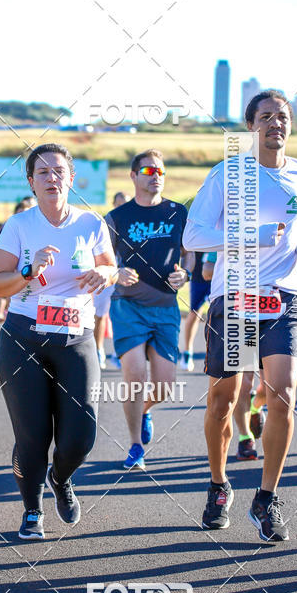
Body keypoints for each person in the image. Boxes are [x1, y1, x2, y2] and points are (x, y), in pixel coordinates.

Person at [183, 89, 297, 542]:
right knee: (224, 400)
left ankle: (266, 498)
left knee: (281, 395)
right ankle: (219, 486)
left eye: (282, 117)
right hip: (237, 297)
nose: (275, 124)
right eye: (265, 117)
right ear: (250, 127)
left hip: (283, 298)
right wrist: (254, 233)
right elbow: (195, 234)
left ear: (289, 125)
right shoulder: (229, 174)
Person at [0, 143, 116, 540]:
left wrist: (104, 275)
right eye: (42, 173)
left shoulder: (91, 224)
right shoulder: (19, 226)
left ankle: (61, 477)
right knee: (33, 435)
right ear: (31, 181)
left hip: (77, 338)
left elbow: (111, 267)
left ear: (71, 179)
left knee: (81, 436)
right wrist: (28, 269)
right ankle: (32, 509)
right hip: (24, 337)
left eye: (58, 171)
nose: (51, 178)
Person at [105, 150, 193, 471]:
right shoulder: (117, 217)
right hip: (128, 305)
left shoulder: (177, 212)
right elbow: (101, 260)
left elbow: (190, 253)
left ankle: (144, 410)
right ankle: (135, 446)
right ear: (133, 176)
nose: (155, 174)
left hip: (166, 306)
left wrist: (186, 273)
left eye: (160, 170)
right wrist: (116, 272)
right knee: (135, 375)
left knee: (165, 385)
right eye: (147, 169)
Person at [202, 253, 265, 460]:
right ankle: (245, 437)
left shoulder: (282, 225)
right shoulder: (235, 228)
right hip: (242, 311)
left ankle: (255, 406)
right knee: (244, 383)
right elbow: (207, 271)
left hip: (274, 311)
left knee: (271, 387)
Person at [95, 192, 130, 369]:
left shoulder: (135, 223)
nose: (122, 207)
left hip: (126, 277)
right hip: (109, 273)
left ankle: (118, 353)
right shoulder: (107, 223)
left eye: (125, 204)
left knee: (121, 314)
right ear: (113, 204)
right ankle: (98, 349)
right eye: (119, 204)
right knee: (100, 314)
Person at [180, 249, 211, 371]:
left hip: (220, 273)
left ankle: (221, 354)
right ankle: (187, 352)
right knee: (195, 312)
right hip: (199, 273)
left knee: (224, 313)